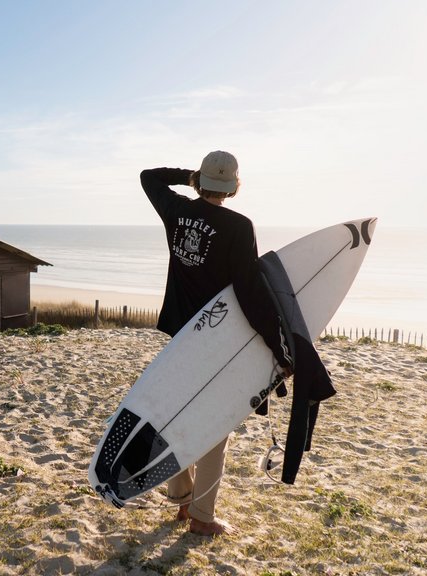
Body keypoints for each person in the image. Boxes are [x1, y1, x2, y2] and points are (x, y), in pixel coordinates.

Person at [140, 150, 292, 536]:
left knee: (178, 417)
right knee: (214, 426)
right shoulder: (240, 226)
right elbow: (250, 291)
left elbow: (149, 176)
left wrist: (191, 175)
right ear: (234, 186)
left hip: (180, 339)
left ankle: (182, 501)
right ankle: (202, 518)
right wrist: (278, 346)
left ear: (201, 182)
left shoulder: (176, 211)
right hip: (217, 341)